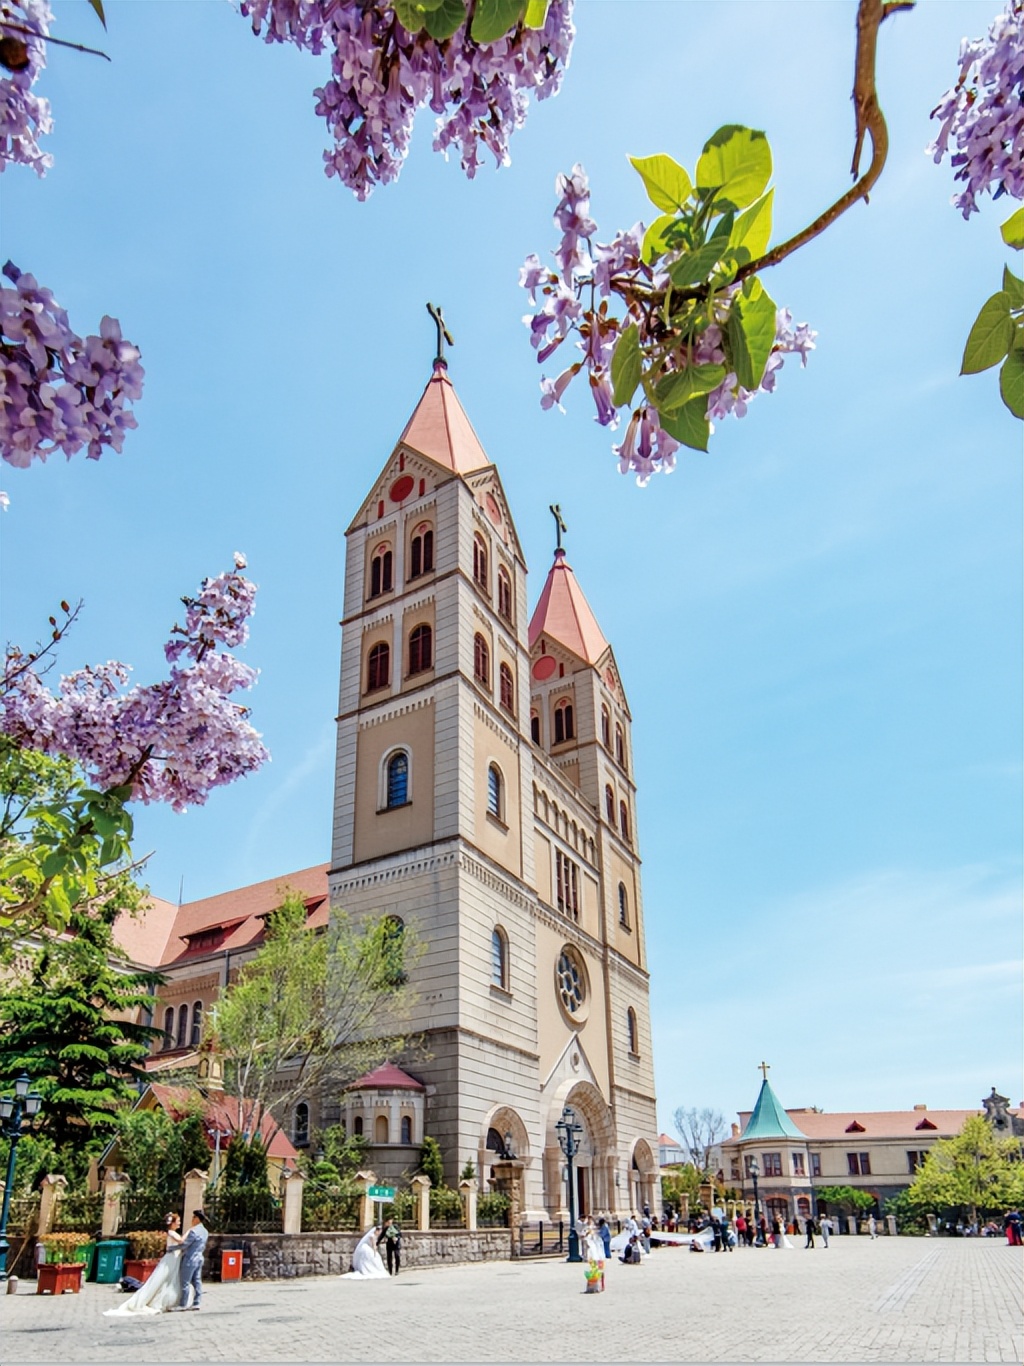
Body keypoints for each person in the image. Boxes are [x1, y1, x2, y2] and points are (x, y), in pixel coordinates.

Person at [105, 1212, 183, 1317]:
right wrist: (190, 1232)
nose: (179, 1223)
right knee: (161, 1279)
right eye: (178, 1221)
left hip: (173, 1258)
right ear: (172, 1223)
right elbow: (181, 1241)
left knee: (168, 1280)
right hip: (170, 1259)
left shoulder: (172, 1232)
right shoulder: (171, 1233)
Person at [177, 1210, 209, 1310]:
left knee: (185, 1281)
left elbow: (186, 1244)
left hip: (190, 1258)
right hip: (199, 1258)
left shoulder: (194, 1231)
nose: (192, 1219)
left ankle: (183, 1304)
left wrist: (172, 1248)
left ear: (197, 1219)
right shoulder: (205, 1231)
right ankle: (197, 1302)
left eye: (193, 1217)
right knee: (197, 1281)